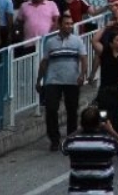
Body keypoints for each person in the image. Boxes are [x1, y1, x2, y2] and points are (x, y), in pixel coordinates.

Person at [61, 106, 118, 195]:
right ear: (99, 123)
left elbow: (63, 146)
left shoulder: (73, 143)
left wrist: (79, 130)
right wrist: (111, 131)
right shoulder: (108, 143)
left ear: (81, 123)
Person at [37, 14, 88, 151]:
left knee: (72, 110)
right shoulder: (50, 42)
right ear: (59, 25)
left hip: (72, 80)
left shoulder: (77, 41)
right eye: (66, 23)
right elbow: (45, 62)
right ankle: (54, 139)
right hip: (53, 80)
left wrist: (82, 75)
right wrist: (39, 80)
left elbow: (83, 59)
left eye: (71, 23)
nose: (69, 26)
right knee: (51, 109)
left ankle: (71, 137)